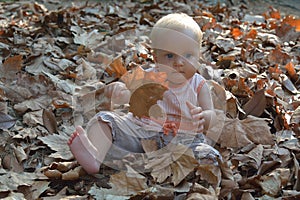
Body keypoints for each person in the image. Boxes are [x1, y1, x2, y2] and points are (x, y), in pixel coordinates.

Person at [68, 13, 222, 174]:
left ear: (199, 55)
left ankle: (188, 174)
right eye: (169, 56)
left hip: (182, 140)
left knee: (210, 156)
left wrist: (204, 117)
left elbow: (212, 115)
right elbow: (128, 96)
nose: (179, 62)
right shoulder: (147, 77)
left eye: (188, 55)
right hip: (141, 132)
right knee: (104, 120)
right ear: (156, 58)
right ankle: (94, 156)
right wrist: (119, 92)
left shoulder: (199, 85)